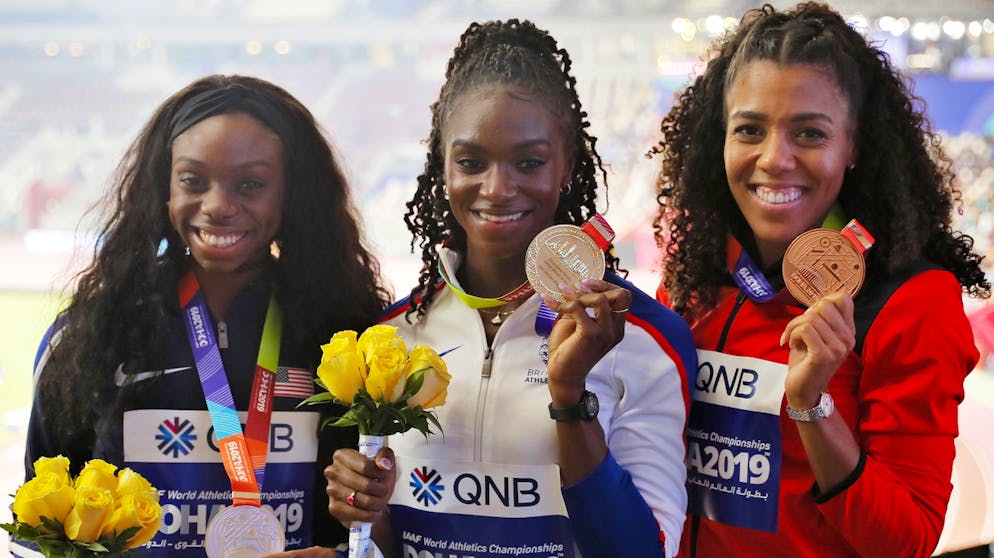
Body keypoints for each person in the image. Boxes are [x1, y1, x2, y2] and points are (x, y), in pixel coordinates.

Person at [323, 18, 697, 558]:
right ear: (442, 166)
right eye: (471, 162)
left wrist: (570, 399)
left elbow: (645, 551)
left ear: (566, 166)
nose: (497, 188)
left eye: (529, 162)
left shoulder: (643, 338)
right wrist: (367, 512)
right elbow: (388, 545)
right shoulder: (389, 339)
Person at [650, 3, 992, 557]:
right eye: (749, 130)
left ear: (853, 145)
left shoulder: (910, 302)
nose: (774, 158)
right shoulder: (693, 279)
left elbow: (907, 541)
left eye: (809, 133)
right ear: (721, 139)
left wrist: (811, 406)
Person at [18, 74, 391, 556]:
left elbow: (373, 529)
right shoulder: (89, 339)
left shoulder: (345, 338)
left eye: (251, 184)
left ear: (292, 194)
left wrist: (353, 537)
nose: (217, 206)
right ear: (163, 188)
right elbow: (39, 530)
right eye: (193, 181)